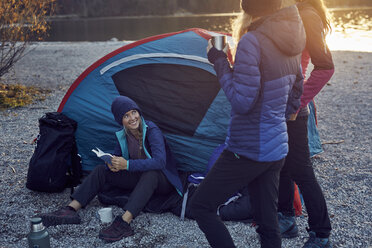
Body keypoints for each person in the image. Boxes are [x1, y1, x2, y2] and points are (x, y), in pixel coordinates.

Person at [189, 0, 306, 247]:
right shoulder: (294, 34)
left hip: (248, 148)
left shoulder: (253, 41)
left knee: (201, 206)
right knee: (267, 223)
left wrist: (219, 60)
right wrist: (276, 118)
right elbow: (297, 89)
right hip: (276, 148)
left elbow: (242, 102)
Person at [38, 95, 183, 243]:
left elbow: (160, 162)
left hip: (162, 180)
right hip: (138, 176)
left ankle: (124, 222)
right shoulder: (122, 135)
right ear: (120, 120)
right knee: (101, 170)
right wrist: (112, 163)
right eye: (126, 116)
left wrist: (126, 164)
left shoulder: (151, 130)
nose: (132, 118)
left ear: (139, 112)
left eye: (134, 112)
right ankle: (70, 210)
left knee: (151, 173)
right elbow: (118, 156)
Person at [277, 0, 334, 247]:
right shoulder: (288, 12)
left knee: (300, 169)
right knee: (281, 163)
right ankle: (286, 218)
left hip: (293, 108)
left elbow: (325, 67)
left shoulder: (308, 15)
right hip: (277, 106)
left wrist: (298, 102)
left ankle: (321, 234)